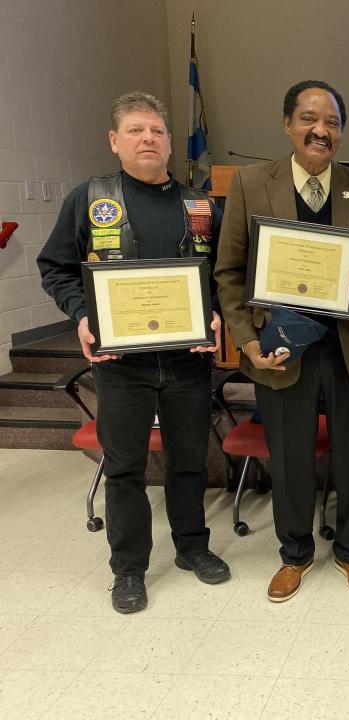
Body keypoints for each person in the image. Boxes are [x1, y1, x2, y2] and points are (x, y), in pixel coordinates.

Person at [37, 91, 229, 614]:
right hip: (121, 365)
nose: (149, 138)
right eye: (137, 130)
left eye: (158, 131)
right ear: (115, 141)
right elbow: (55, 266)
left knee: (190, 459)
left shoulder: (201, 205)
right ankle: (128, 569)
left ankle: (192, 547)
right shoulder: (89, 198)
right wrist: (83, 315)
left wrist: (214, 312)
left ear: (170, 142)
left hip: (188, 361)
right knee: (125, 467)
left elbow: (222, 277)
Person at [215, 80, 349, 602]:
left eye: (332, 122)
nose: (321, 130)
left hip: (347, 348)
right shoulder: (249, 183)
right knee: (289, 456)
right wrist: (245, 341)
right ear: (288, 124)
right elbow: (228, 271)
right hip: (280, 347)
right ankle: (295, 554)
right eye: (310, 119)